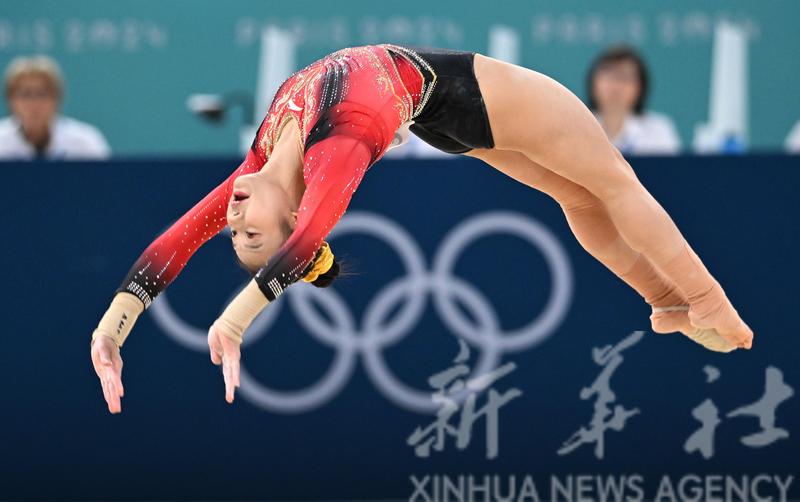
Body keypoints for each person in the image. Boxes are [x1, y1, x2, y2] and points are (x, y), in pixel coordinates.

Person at [90, 45, 753, 414]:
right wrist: (235, 323)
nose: (231, 222)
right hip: (472, 92)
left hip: (447, 108)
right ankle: (705, 299)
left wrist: (111, 329)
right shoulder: (339, 143)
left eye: (234, 232)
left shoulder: (259, 162)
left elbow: (172, 243)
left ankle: (670, 300)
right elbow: (306, 240)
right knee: (609, 183)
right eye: (249, 237)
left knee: (582, 195)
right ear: (288, 219)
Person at [0, 55, 110, 160]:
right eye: (26, 94)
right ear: (10, 100)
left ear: (57, 98)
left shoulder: (85, 142)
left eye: (42, 94)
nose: (34, 103)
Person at [586, 45, 680, 156]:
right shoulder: (580, 128)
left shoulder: (659, 130)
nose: (615, 86)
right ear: (593, 83)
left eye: (624, 78)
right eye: (608, 77)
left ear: (640, 87)